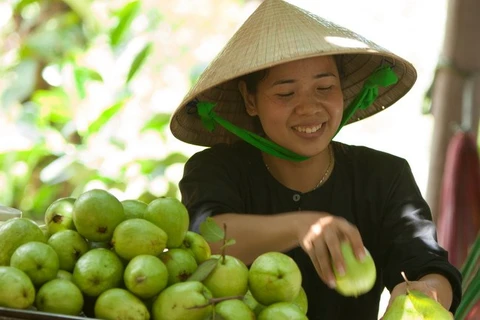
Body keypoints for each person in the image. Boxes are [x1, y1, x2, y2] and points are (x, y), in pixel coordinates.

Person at [169, 0, 462, 319]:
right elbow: (206, 237)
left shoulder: (384, 175)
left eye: (324, 87)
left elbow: (429, 266)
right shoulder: (216, 169)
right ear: (250, 99)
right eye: (285, 94)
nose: (309, 108)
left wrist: (425, 291)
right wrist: (302, 226)